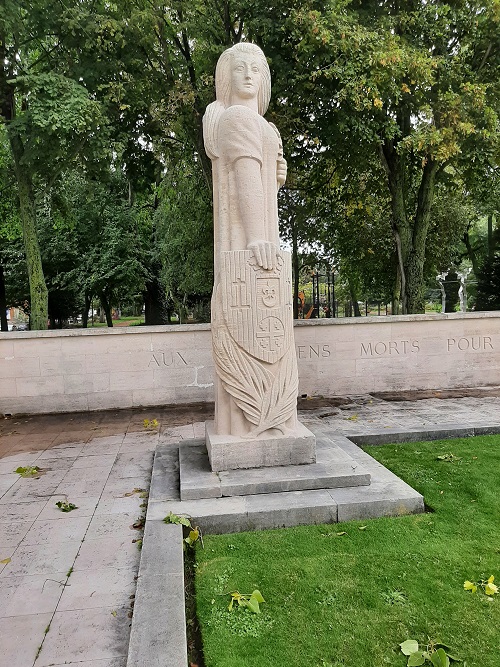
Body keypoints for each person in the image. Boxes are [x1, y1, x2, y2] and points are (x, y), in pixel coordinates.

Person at [203, 43, 297, 439]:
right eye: (239, 68)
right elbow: (243, 177)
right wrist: (259, 238)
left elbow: (262, 181)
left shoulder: (265, 126)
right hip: (249, 241)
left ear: (264, 80)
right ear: (227, 77)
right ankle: (255, 424)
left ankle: (273, 420)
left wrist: (277, 174)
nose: (248, 75)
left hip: (264, 236)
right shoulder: (237, 117)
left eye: (256, 69)